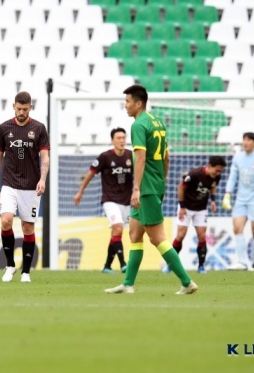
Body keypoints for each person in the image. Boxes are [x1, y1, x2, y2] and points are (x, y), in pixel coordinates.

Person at [105, 85, 197, 295]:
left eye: (127, 101)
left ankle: (186, 281)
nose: (125, 105)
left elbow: (141, 158)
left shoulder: (139, 125)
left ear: (138, 103)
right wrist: (161, 179)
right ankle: (128, 284)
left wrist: (136, 188)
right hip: (154, 184)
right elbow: (166, 156)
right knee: (135, 234)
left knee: (157, 238)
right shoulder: (158, 123)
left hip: (145, 188)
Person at [0, 92, 50, 283]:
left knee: (27, 227)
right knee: (6, 221)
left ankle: (26, 272)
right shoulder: (4, 128)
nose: (22, 112)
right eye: (19, 108)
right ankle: (10, 265)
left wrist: (42, 179)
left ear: (30, 108)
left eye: (25, 109)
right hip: (9, 184)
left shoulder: (39, 128)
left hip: (31, 186)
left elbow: (45, 157)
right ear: (13, 106)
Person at [74, 128, 132, 274]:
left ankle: (107, 266)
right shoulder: (105, 157)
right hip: (110, 200)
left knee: (116, 234)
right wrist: (80, 192)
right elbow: (90, 175)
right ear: (112, 140)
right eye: (118, 138)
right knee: (118, 228)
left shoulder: (131, 156)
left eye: (123, 138)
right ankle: (123, 264)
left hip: (126, 202)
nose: (121, 140)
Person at [164, 156, 226, 275]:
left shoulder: (216, 176)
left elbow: (213, 186)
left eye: (220, 171)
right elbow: (180, 188)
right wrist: (182, 207)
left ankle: (201, 266)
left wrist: (213, 200)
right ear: (209, 166)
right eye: (217, 170)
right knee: (180, 236)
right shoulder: (194, 174)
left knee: (202, 236)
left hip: (201, 209)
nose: (218, 173)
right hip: (186, 208)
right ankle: (170, 265)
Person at [222, 132, 254, 271]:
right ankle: (242, 262)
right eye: (244, 139)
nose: (245, 142)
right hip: (241, 199)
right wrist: (227, 194)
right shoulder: (238, 157)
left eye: (249, 140)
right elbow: (233, 177)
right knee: (237, 228)